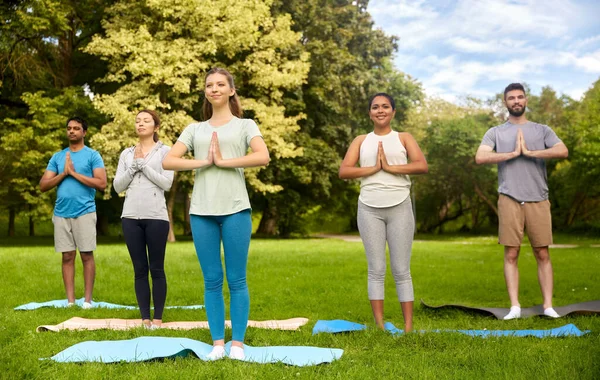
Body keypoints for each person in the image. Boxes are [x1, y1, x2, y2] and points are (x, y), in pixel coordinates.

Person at [163, 68, 270, 360]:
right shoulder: (194, 129)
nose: (214, 89)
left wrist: (223, 162)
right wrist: (203, 162)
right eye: (209, 85)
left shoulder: (245, 125)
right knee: (211, 279)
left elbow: (263, 156)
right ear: (205, 92)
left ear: (231, 90)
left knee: (237, 279)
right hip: (201, 212)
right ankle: (217, 344)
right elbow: (169, 160)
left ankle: (237, 344)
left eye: (220, 84)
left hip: (236, 209)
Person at [475, 83, 569, 320]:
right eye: (511, 98)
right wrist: (511, 154)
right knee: (511, 254)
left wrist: (530, 152)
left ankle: (548, 306)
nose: (516, 101)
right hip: (509, 198)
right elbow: (480, 157)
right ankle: (514, 307)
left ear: (526, 100)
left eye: (519, 97)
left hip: (538, 198)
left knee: (542, 253)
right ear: (505, 102)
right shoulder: (495, 132)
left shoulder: (542, 130)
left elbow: (562, 151)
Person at [339, 93, 428, 332]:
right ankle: (379, 326)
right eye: (375, 107)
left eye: (385, 106)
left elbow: (421, 165)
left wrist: (389, 167)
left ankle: (408, 327)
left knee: (401, 269)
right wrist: (372, 169)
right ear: (370, 113)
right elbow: (344, 171)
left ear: (393, 112)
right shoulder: (361, 140)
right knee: (376, 269)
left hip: (400, 206)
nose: (380, 110)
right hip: (369, 208)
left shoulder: (403, 138)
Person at [113, 110, 174, 328]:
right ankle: (144, 318)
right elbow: (117, 186)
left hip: (156, 216)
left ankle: (157, 318)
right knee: (139, 268)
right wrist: (133, 166)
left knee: (156, 268)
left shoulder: (167, 152)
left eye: (146, 121)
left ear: (156, 127)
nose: (141, 124)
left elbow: (167, 183)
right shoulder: (126, 154)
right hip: (130, 217)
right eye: (138, 121)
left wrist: (144, 166)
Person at [40, 117, 107, 309]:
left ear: (84, 132)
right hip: (61, 213)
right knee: (67, 256)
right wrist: (63, 173)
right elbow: (43, 185)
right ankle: (70, 301)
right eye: (69, 128)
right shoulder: (58, 157)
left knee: (86, 254)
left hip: (85, 211)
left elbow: (101, 183)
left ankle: (87, 301)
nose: (72, 131)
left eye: (76, 128)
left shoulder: (93, 155)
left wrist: (74, 174)